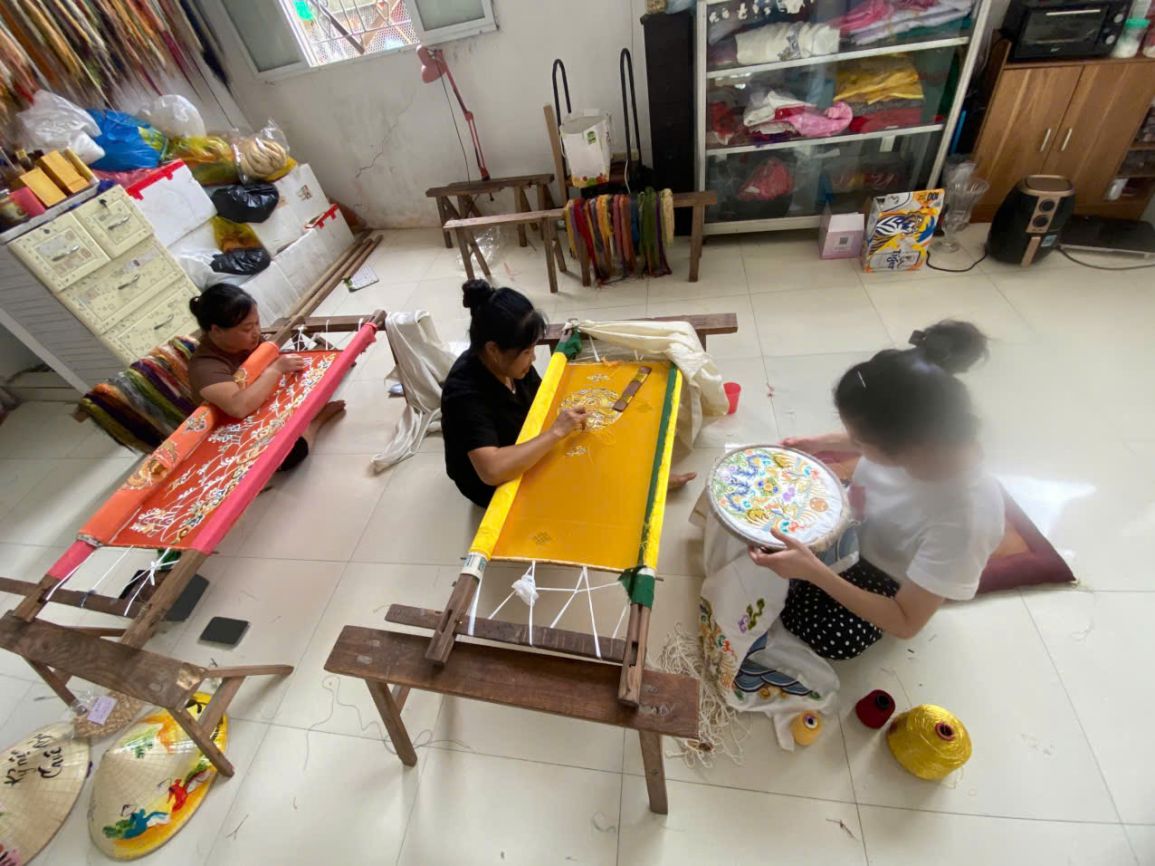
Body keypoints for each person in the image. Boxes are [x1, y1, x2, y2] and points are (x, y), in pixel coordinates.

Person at [743, 319, 1005, 660]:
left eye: (861, 442)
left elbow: (907, 622)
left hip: (884, 575)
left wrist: (813, 572)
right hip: (860, 518)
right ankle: (803, 565)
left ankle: (804, 572)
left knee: (831, 635)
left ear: (909, 447)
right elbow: (868, 437)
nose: (853, 446)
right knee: (762, 507)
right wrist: (817, 442)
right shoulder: (920, 437)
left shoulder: (966, 521)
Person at [441, 280, 695, 508]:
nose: (533, 358)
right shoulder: (464, 394)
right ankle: (642, 484)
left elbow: (544, 400)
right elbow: (492, 470)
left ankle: (643, 476)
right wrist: (555, 433)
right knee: (585, 487)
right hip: (489, 485)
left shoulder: (509, 364)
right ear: (494, 350)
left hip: (520, 441)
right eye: (527, 352)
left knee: (590, 439)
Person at [187, 283, 345, 471]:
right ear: (216, 331)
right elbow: (239, 407)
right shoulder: (205, 366)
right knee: (290, 454)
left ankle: (304, 417)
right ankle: (315, 421)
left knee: (315, 374)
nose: (256, 333)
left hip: (265, 402)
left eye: (257, 323)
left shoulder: (244, 342)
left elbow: (268, 358)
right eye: (247, 329)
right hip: (235, 427)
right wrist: (275, 370)